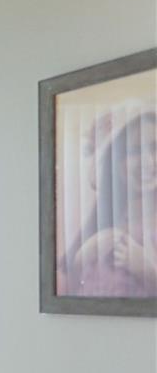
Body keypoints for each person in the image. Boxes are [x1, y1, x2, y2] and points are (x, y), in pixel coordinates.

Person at [61, 105, 157, 299]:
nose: (148, 161)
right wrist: (82, 258)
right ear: (114, 160)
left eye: (155, 148)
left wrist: (148, 270)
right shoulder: (101, 221)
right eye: (134, 151)